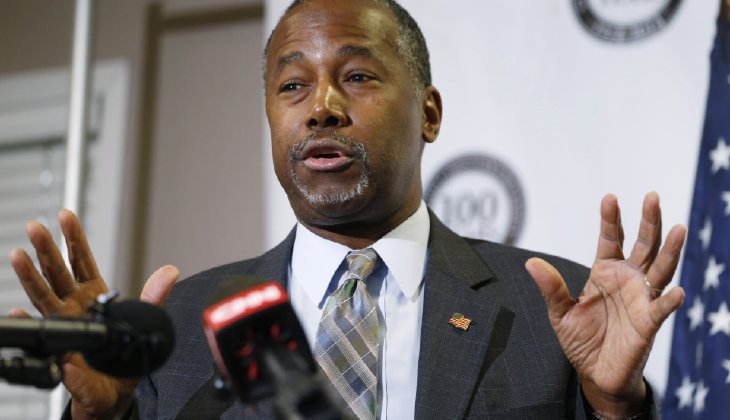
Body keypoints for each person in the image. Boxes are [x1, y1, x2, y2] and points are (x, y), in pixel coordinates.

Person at [9, 0, 687, 418]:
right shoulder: (181, 328)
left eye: (357, 76)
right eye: (292, 85)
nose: (321, 107)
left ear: (429, 114)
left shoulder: (551, 308)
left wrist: (614, 407)